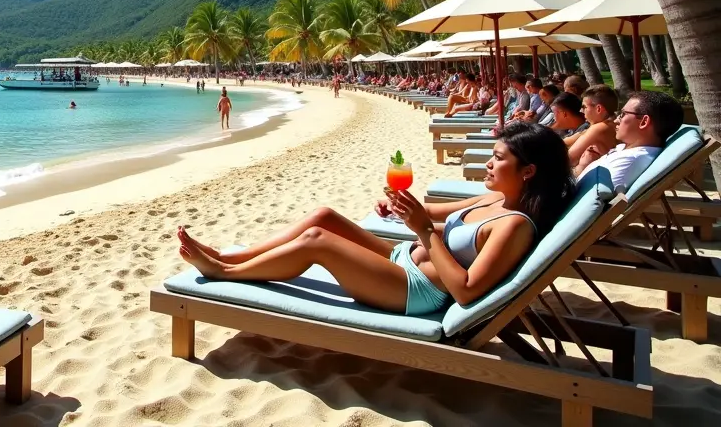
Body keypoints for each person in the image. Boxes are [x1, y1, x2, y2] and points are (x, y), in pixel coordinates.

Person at [176, 122, 575, 315]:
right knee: (324, 216)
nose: (489, 163)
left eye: (499, 158)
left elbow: (467, 291)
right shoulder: (495, 199)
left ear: (529, 171)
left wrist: (423, 231)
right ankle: (232, 258)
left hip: (417, 290)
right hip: (404, 258)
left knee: (317, 239)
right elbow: (432, 215)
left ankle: (225, 274)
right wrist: (400, 207)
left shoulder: (516, 225)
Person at [576, 91, 684, 191]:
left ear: (644, 121)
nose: (616, 120)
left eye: (623, 114)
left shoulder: (627, 162)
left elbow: (586, 194)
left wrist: (581, 167)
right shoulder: (631, 151)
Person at [566, 85, 618, 167]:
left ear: (598, 109)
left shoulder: (600, 128)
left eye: (584, 107)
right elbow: (567, 141)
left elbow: (569, 158)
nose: (581, 111)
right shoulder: (611, 123)